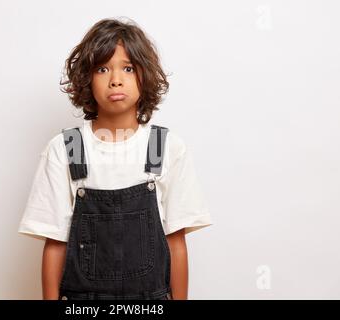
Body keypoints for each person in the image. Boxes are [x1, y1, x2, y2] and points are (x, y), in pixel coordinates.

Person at [18, 17, 213, 300]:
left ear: (144, 76)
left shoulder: (166, 147)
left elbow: (175, 240)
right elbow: (55, 242)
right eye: (102, 68)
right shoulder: (66, 148)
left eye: (128, 68)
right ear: (86, 78)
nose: (116, 79)